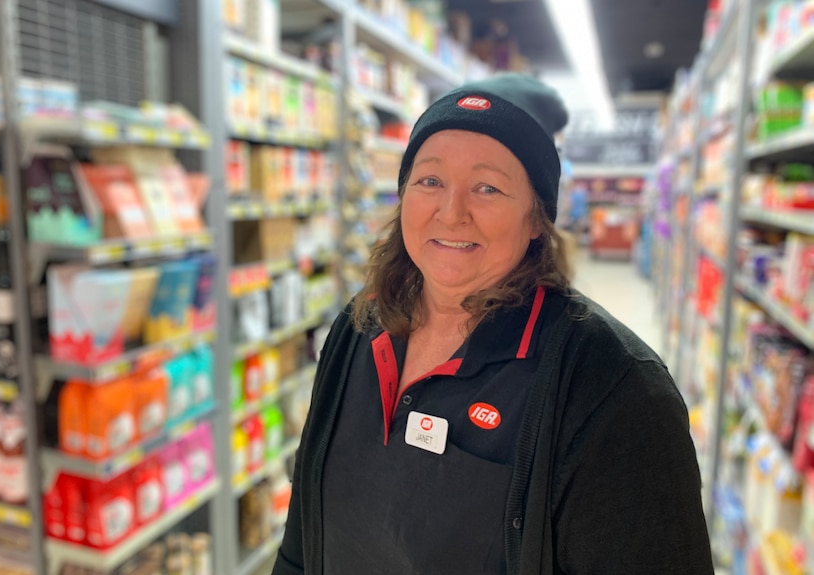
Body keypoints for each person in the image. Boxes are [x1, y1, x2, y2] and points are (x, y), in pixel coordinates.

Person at [273, 73, 713, 575]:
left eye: (488, 187)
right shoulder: (359, 325)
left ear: (535, 221)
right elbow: (302, 535)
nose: (451, 212)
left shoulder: (617, 389)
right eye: (430, 180)